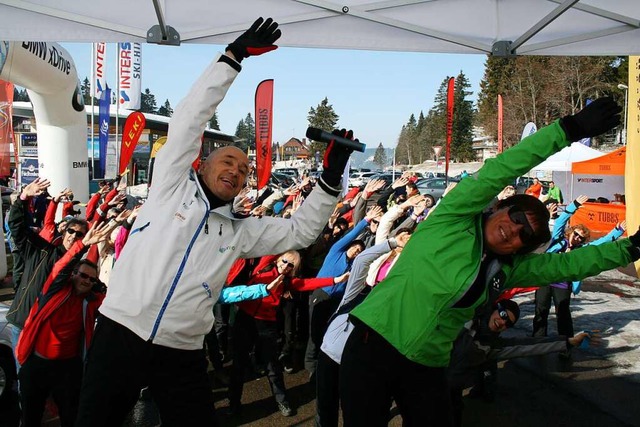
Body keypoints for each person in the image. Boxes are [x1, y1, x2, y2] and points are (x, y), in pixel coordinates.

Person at [75, 17, 355, 427]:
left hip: (182, 350)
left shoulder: (238, 231)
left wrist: (330, 180)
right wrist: (232, 58)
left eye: (244, 170)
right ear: (203, 166)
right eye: (228, 161)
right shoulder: (169, 186)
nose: (237, 171)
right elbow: (189, 118)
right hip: (120, 333)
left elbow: (300, 231)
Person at [338, 97, 638, 426]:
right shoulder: (454, 218)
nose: (514, 230)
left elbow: (567, 266)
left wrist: (631, 249)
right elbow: (502, 169)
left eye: (526, 235)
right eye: (517, 217)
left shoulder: (506, 270)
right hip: (374, 345)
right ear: (500, 209)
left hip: (428, 363)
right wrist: (571, 129)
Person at [15, 222, 111, 427]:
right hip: (37, 365)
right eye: (83, 275)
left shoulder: (91, 302)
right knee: (30, 417)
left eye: (91, 279)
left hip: (68, 369)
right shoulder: (55, 290)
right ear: (73, 274)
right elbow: (60, 267)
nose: (86, 280)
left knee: (71, 417)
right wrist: (83, 243)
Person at [448, 299, 594, 427]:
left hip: (451, 393)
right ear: (495, 309)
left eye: (508, 324)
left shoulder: (492, 346)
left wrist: (567, 342)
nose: (502, 322)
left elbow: (528, 346)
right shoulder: (464, 318)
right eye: (503, 315)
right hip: (428, 379)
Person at [6, 178, 89, 371]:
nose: (73, 236)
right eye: (71, 231)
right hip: (23, 322)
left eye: (79, 235)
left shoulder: (80, 268)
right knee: (25, 382)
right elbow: (17, 228)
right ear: (65, 231)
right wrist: (24, 198)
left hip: (50, 334)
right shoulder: (42, 249)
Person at [532, 195, 627, 346]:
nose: (577, 238)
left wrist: (617, 231)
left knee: (563, 315)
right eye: (576, 234)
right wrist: (573, 206)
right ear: (571, 232)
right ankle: (537, 343)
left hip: (562, 285)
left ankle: (566, 345)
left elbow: (599, 244)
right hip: (545, 280)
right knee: (541, 311)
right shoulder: (558, 240)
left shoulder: (580, 250)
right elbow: (559, 224)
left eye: (581, 238)